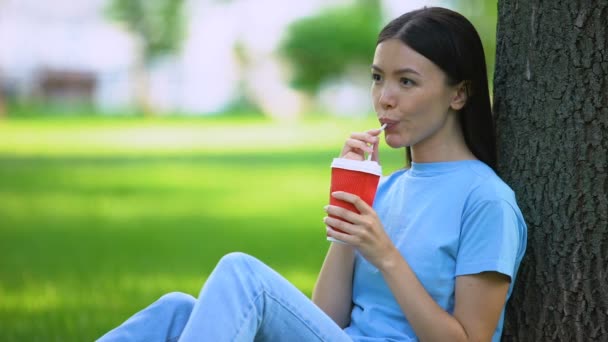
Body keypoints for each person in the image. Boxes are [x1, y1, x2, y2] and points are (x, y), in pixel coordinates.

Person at [98, 6, 527, 342]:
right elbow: (325, 322)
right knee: (175, 310)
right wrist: (349, 214)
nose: (385, 99)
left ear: (459, 93)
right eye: (378, 79)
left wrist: (385, 256)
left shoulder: (486, 200)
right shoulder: (389, 187)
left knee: (242, 274)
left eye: (407, 82)